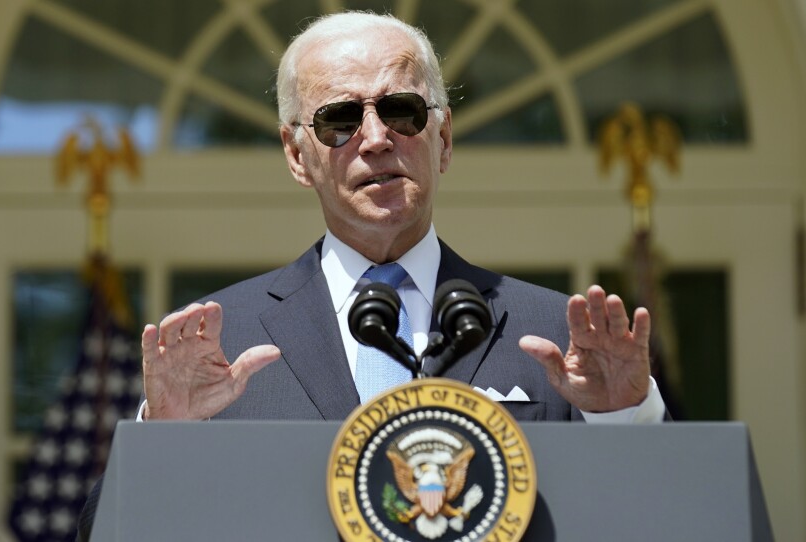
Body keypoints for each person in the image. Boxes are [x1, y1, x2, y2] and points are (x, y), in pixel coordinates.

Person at [78, 10, 664, 539]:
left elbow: (660, 518)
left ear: (444, 138)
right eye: (338, 121)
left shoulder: (551, 333)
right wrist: (161, 441)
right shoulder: (220, 346)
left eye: (401, 111)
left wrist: (623, 418)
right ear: (295, 155)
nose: (377, 139)